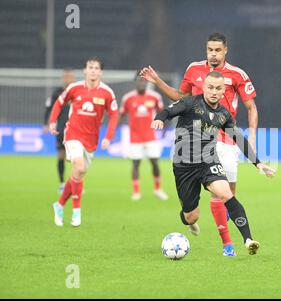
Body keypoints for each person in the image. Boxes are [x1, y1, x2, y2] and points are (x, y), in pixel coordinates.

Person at [140, 32, 259, 257]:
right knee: (206, 205)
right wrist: (157, 82)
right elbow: (180, 97)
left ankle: (231, 243)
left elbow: (251, 106)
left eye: (218, 50)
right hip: (193, 143)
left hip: (225, 138)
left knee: (226, 195)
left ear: (225, 51)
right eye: (210, 50)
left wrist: (251, 136)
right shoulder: (193, 69)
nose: (213, 54)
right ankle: (225, 244)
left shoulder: (237, 74)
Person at [152, 71, 274, 255]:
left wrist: (258, 163)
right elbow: (168, 111)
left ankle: (248, 239)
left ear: (224, 90)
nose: (214, 91)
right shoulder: (190, 103)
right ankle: (189, 221)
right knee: (191, 216)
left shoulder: (224, 115)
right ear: (204, 87)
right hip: (184, 166)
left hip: (208, 161)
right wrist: (159, 119)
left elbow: (239, 139)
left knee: (226, 194)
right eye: (210, 87)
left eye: (218, 88)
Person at [48, 57, 119, 227]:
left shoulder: (107, 93)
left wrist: (108, 137)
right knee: (78, 167)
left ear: (100, 72)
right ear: (85, 70)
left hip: (91, 140)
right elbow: (59, 103)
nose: (93, 70)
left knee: (77, 175)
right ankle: (76, 212)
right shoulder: (74, 88)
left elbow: (114, 115)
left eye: (96, 68)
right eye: (90, 67)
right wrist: (52, 121)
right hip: (72, 134)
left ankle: (59, 205)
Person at [120, 72, 169, 201]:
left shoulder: (155, 97)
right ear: (135, 82)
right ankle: (136, 192)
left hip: (151, 137)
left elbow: (163, 113)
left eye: (143, 81)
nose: (141, 83)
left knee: (155, 163)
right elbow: (121, 114)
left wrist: (164, 128)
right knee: (136, 164)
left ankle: (158, 189)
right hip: (135, 137)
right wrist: (115, 130)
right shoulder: (128, 98)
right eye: (139, 81)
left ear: (147, 82)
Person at [43, 69, 75, 193]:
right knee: (61, 156)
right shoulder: (57, 92)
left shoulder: (77, 91)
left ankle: (74, 183)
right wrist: (46, 123)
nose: (68, 79)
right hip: (61, 129)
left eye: (70, 77)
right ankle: (62, 183)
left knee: (75, 158)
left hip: (75, 130)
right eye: (66, 77)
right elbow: (48, 107)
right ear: (63, 79)